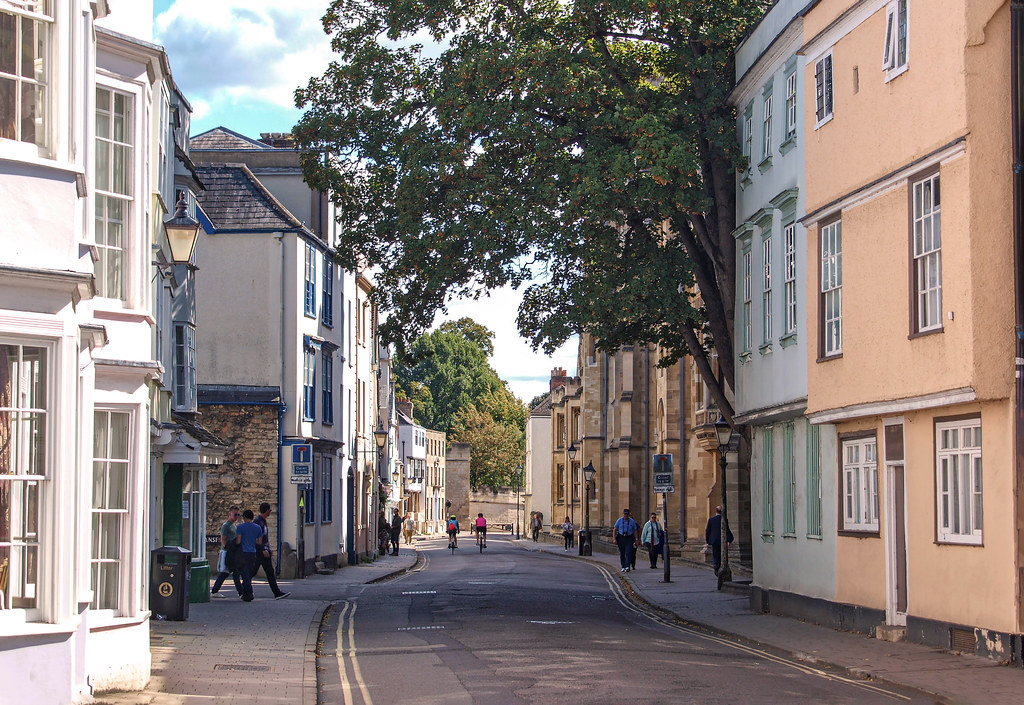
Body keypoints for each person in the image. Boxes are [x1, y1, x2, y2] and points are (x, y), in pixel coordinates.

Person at [253, 502, 289, 599]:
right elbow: (256, 539)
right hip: (260, 552)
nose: (270, 512)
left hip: (265, 551)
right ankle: (244, 589)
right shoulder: (258, 522)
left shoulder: (263, 521)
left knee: (270, 572)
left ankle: (276, 592)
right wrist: (263, 549)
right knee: (253, 571)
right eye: (269, 510)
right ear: (266, 510)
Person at [211, 506, 242, 598]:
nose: (236, 517)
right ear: (230, 514)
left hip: (232, 552)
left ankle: (215, 590)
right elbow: (223, 540)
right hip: (227, 552)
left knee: (229, 572)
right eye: (235, 514)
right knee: (230, 572)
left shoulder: (233, 526)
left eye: (238, 515)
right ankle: (240, 592)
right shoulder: (226, 526)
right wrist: (228, 550)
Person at [236, 509, 264, 601]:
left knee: (244, 574)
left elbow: (238, 541)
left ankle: (249, 593)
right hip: (252, 552)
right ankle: (246, 592)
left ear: (244, 517)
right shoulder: (258, 528)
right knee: (248, 573)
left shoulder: (240, 527)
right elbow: (259, 542)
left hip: (243, 552)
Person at [704, 505, 734, 576]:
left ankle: (716, 566)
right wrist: (729, 540)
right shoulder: (724, 519)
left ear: (716, 511)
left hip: (714, 540)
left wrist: (707, 540)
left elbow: (708, 531)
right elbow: (727, 530)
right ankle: (720, 566)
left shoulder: (711, 520)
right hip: (722, 540)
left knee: (715, 553)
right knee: (721, 554)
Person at [613, 508, 640, 573]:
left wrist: (636, 539)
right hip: (621, 537)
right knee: (622, 553)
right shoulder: (619, 520)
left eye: (627, 514)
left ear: (628, 514)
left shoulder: (632, 521)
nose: (625, 515)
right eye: (625, 514)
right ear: (623, 514)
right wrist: (614, 539)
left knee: (628, 552)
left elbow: (635, 530)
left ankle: (627, 566)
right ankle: (623, 566)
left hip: (629, 538)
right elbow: (615, 529)